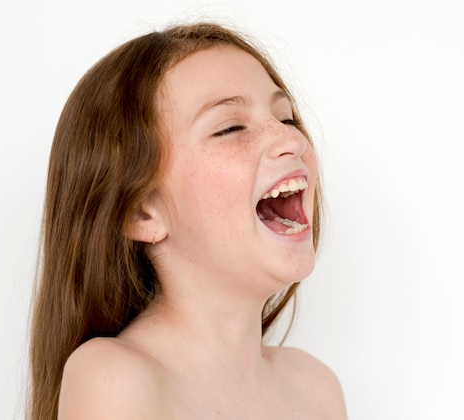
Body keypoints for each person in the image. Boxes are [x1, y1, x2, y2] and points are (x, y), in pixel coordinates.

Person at [29, 22, 348, 419]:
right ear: (141, 211)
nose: (294, 141)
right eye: (230, 127)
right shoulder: (114, 379)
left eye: (287, 120)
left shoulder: (316, 388)